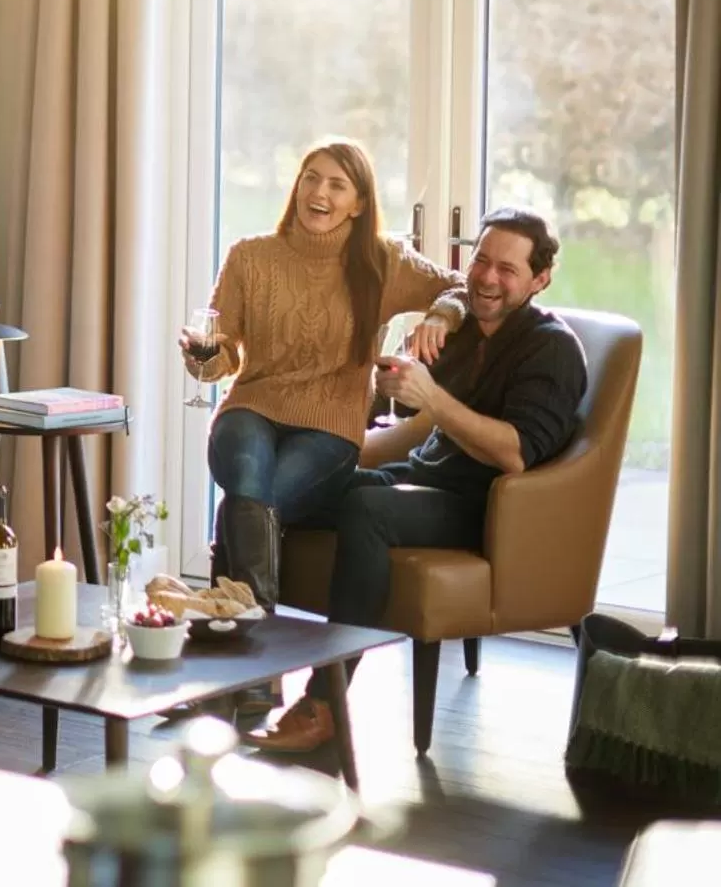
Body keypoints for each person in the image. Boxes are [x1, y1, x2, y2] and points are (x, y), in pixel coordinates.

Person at [247, 208, 587, 752]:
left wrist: (431, 395)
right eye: (481, 260)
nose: (487, 278)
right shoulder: (462, 328)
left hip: (489, 507)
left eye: (507, 269)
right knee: (271, 495)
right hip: (426, 478)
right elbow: (412, 416)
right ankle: (240, 676)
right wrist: (382, 394)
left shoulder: (551, 348)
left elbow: (515, 453)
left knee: (367, 511)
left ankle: (325, 704)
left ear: (540, 279)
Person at [185, 140, 465, 703]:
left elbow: (458, 287)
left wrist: (440, 315)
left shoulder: (383, 262)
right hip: (251, 407)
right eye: (311, 178)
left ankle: (241, 670)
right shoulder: (250, 257)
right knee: (246, 471)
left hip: (329, 427)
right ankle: (255, 673)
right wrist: (203, 356)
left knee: (248, 502)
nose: (319, 192)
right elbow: (225, 356)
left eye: (337, 185)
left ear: (358, 203)